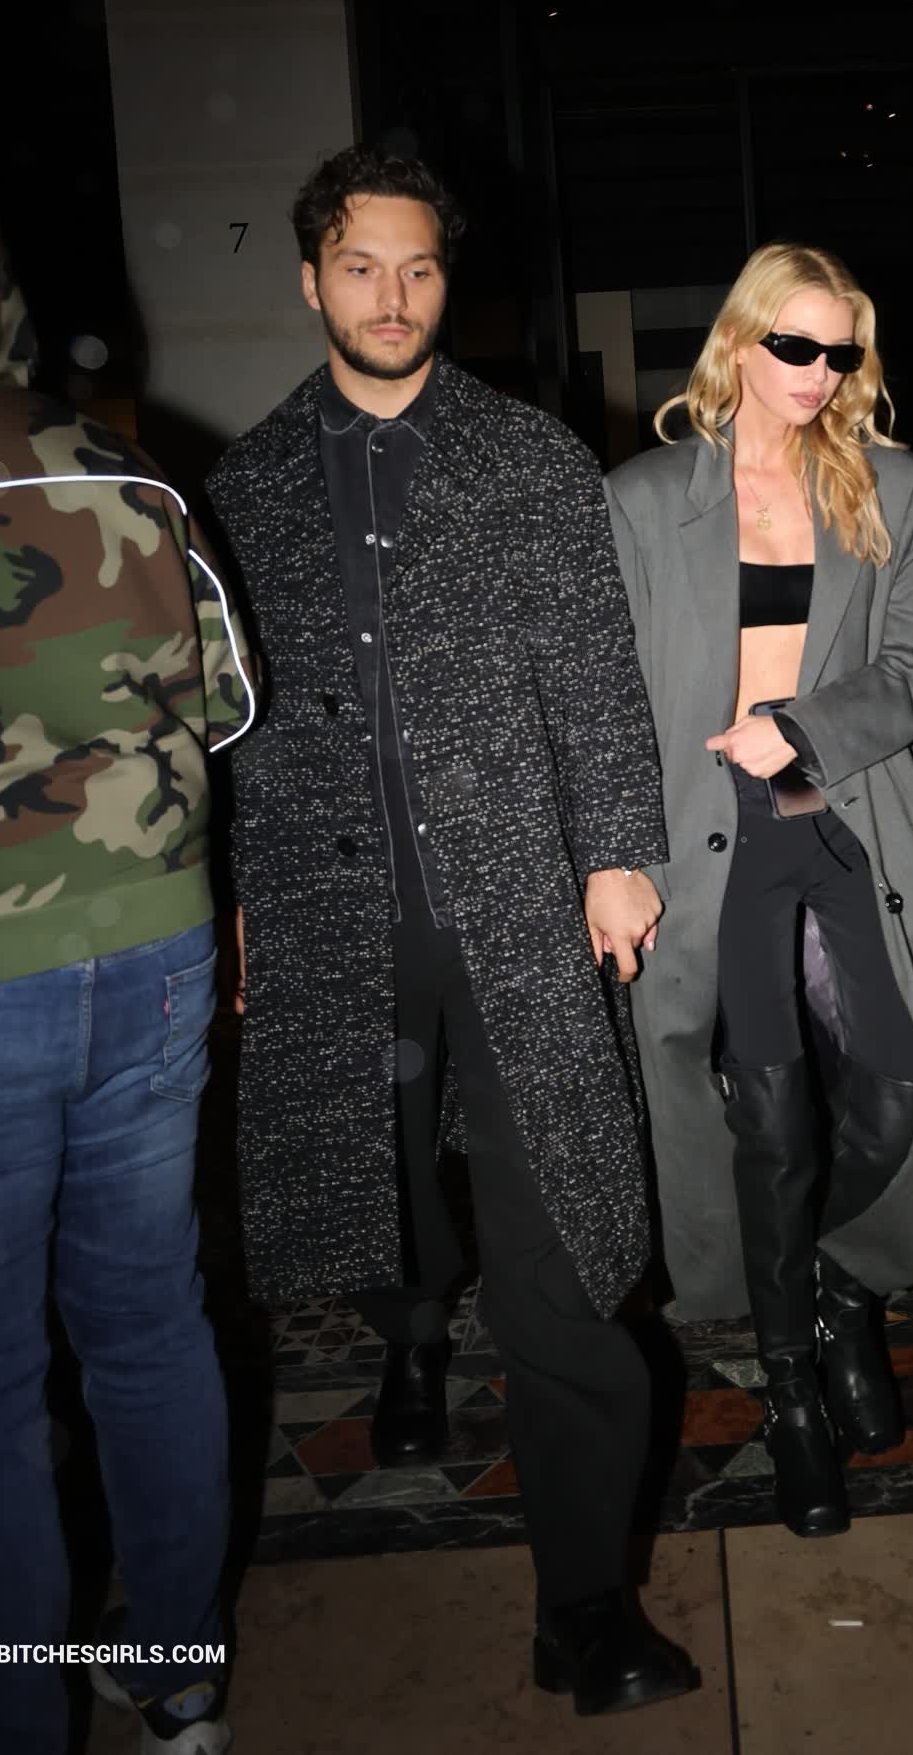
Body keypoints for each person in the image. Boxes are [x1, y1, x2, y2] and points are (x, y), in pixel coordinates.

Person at [207, 146, 697, 1716]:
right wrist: (229, 898)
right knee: (378, 1182)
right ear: (310, 280)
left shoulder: (529, 459)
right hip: (327, 916)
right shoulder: (241, 488)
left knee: (557, 1246)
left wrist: (615, 852)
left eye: (417, 268)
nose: (392, 296)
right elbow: (218, 725)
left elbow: (595, 672)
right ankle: (409, 1327)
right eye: (361, 267)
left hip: (515, 908)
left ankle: (585, 1606)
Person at [605, 243, 913, 1538]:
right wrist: (608, 859)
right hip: (708, 842)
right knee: (766, 1121)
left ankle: (845, 1286)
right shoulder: (646, 496)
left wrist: (799, 725)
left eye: (839, 351)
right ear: (739, 343)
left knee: (897, 1081)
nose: (818, 372)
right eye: (794, 345)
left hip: (845, 813)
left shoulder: (892, 484)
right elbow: (602, 697)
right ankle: (792, 1392)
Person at [0, 174, 252, 1753]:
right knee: (148, 1329)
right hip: (152, 943)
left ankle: (16, 1712)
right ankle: (180, 1672)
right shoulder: (126, 472)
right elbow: (223, 706)